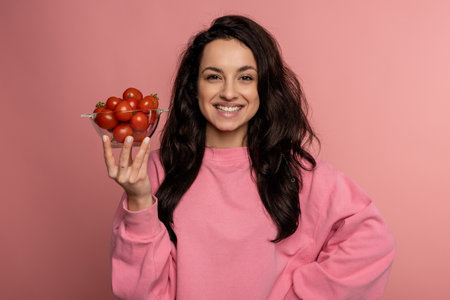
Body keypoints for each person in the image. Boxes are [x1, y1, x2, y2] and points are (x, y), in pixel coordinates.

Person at [102, 15, 395, 300]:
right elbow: (140, 292)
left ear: (262, 87)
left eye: (245, 77)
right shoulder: (155, 170)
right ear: (194, 87)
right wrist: (139, 199)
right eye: (214, 76)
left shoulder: (298, 172)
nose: (229, 92)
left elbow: (371, 243)